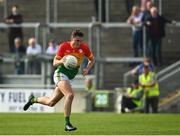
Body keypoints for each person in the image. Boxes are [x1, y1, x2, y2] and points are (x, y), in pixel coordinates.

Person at [23, 29, 95, 131]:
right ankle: (67, 124)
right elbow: (54, 62)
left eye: (80, 41)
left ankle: (33, 100)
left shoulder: (84, 48)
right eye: (77, 41)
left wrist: (87, 69)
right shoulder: (64, 46)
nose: (79, 43)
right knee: (70, 95)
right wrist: (61, 61)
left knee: (51, 102)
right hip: (60, 74)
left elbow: (92, 60)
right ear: (72, 39)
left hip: (69, 78)